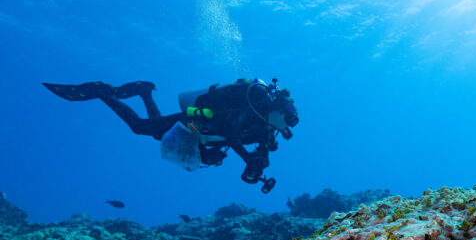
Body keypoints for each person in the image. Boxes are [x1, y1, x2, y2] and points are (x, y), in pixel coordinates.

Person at [42, 78, 299, 194]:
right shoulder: (255, 107)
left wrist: (257, 163)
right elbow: (231, 133)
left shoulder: (267, 127)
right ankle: (102, 92)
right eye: (286, 118)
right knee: (140, 127)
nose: (285, 125)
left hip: (204, 134)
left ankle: (144, 92)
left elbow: (261, 151)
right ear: (277, 109)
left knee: (153, 131)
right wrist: (247, 159)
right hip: (196, 120)